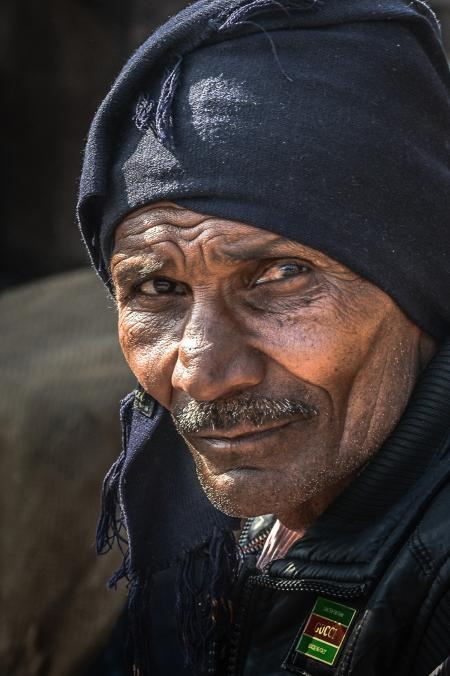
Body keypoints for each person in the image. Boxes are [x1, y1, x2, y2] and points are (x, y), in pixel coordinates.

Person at [77, 0, 450, 674]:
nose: (201, 374)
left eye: (281, 275)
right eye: (157, 288)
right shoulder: (197, 530)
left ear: (420, 281)